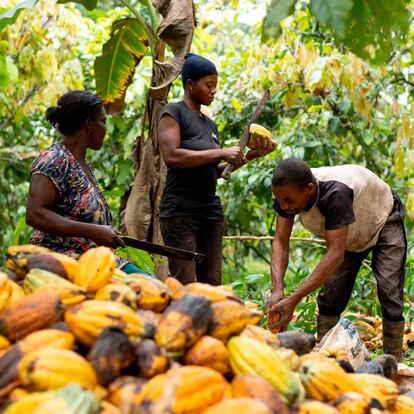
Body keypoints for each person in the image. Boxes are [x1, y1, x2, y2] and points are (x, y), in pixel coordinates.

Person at [266, 158, 407, 360]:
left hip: (382, 217)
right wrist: (277, 288)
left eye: (288, 201)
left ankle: (394, 362)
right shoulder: (287, 193)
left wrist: (293, 300)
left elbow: (335, 253)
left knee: (389, 290)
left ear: (309, 189)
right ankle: (326, 357)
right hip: (346, 233)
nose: (283, 206)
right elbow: (280, 241)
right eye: (279, 200)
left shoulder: (335, 192)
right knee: (331, 294)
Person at [158, 53, 275, 285]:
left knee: (212, 282)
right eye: (209, 85)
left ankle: (212, 321)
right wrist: (222, 152)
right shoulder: (173, 112)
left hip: (209, 210)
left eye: (215, 86)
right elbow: (172, 156)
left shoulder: (210, 125)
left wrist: (250, 156)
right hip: (180, 210)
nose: (213, 91)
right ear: (190, 84)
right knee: (185, 283)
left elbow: (215, 170)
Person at [26, 90, 144, 274]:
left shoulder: (82, 165)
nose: (105, 129)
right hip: (60, 257)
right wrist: (93, 231)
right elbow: (35, 214)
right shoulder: (54, 159)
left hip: (94, 258)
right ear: (89, 124)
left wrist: (105, 233)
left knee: (151, 284)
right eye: (103, 122)